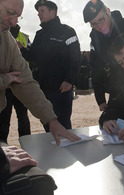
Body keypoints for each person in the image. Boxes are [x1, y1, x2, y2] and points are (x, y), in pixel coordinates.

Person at [0, 0, 80, 185]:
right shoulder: (40, 34)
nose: (14, 22)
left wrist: (51, 120)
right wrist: (4, 80)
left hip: (57, 91)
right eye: (10, 13)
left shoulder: (7, 39)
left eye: (17, 16)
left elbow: (25, 81)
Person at [21, 0, 81, 131]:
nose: (38, 14)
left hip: (61, 89)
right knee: (48, 125)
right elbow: (32, 56)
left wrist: (69, 80)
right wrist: (20, 48)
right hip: (43, 89)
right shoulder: (39, 34)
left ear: (52, 12)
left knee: (63, 125)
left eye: (42, 11)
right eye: (38, 12)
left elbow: (75, 58)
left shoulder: (68, 31)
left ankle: (65, 151)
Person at [0, 24, 31, 143]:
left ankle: (26, 143)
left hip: (19, 83)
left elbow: (31, 55)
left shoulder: (25, 37)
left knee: (20, 117)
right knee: (5, 118)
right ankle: (3, 147)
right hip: (7, 85)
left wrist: (22, 48)